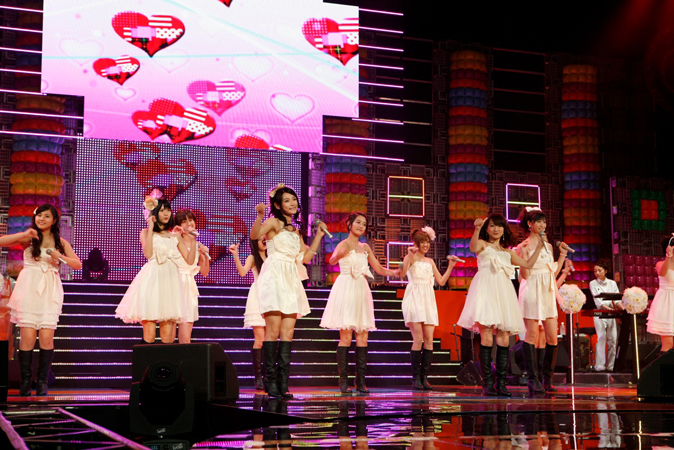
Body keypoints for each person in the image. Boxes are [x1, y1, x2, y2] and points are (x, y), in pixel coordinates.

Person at [250, 183, 327, 398]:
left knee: (288, 333)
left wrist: (318, 237)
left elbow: (305, 258)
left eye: (293, 199)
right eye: (286, 200)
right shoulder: (273, 222)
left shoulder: (295, 230)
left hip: (291, 278)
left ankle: (283, 383)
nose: (292, 203)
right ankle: (270, 381)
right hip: (274, 275)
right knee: (272, 331)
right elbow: (255, 236)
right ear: (277, 205)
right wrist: (259, 215)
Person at [457, 213, 544, 396]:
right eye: (492, 226)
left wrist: (538, 248)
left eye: (499, 226)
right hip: (486, 292)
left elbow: (528, 264)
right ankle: (487, 383)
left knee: (504, 339)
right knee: (487, 338)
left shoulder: (508, 252)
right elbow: (473, 247)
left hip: (503, 293)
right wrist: (477, 228)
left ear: (504, 229)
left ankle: (501, 383)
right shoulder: (483, 244)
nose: (496, 229)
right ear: (487, 229)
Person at [1, 204, 82, 396]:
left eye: (46, 216)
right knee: (27, 338)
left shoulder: (61, 242)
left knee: (46, 338)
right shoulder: (30, 237)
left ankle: (42, 381)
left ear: (54, 220)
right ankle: (25, 381)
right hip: (29, 289)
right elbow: (2, 241)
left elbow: (77, 264)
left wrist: (61, 257)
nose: (41, 219)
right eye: (39, 215)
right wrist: (24, 234)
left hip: (49, 291)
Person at [320, 212, 400, 394]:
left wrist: (395, 272)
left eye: (364, 224)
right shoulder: (343, 244)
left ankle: (361, 381)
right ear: (349, 224)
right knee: (346, 337)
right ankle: (343, 381)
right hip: (346, 288)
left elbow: (378, 268)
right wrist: (340, 254)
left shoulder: (365, 247)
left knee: (363, 336)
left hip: (361, 289)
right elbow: (331, 260)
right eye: (358, 222)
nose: (361, 226)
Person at [115, 195, 196, 344]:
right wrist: (151, 226)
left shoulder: (175, 236)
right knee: (149, 334)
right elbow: (148, 253)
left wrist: (192, 240)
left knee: (167, 337)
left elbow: (189, 261)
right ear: (155, 212)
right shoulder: (146, 232)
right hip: (153, 281)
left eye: (168, 210)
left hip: (170, 284)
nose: (166, 214)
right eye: (162, 210)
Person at [516, 207, 569, 394]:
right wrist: (536, 249)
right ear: (529, 224)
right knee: (531, 336)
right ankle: (533, 379)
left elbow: (551, 273)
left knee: (552, 337)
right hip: (532, 289)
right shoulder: (523, 247)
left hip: (547, 290)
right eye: (538, 221)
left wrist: (562, 255)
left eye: (544, 221)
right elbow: (525, 275)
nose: (542, 225)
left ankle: (547, 379)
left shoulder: (548, 246)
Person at [399, 226, 458, 390]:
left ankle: (425, 378)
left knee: (429, 340)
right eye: (422, 242)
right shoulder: (409, 258)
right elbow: (402, 274)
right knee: (418, 339)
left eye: (427, 242)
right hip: (414, 298)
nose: (425, 245)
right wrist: (408, 256)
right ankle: (415, 378)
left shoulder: (430, 261)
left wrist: (451, 266)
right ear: (416, 243)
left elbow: (441, 281)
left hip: (428, 299)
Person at [230, 237, 268, 390]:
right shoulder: (253, 257)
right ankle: (258, 378)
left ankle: (268, 376)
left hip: (272, 296)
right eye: (260, 239)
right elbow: (242, 272)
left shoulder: (274, 257)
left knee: (270, 340)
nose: (264, 241)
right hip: (258, 297)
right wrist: (235, 255)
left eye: (266, 238)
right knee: (260, 339)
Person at [174, 209, 210, 344]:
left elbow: (204, 272)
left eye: (190, 220)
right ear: (179, 225)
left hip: (189, 288)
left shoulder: (198, 245)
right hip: (175, 283)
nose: (189, 224)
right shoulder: (175, 240)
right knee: (169, 334)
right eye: (184, 221)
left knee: (185, 336)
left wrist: (205, 256)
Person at [589, 259, 621, 372]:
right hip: (599, 313)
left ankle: (611, 366)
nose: (597, 273)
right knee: (601, 337)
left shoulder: (612, 283)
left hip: (611, 313)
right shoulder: (593, 283)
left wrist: (623, 308)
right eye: (595, 271)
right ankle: (600, 366)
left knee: (613, 339)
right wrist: (609, 310)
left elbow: (617, 300)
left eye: (600, 270)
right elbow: (598, 302)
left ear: (606, 271)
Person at [646, 235, 674, 355]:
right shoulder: (660, 263)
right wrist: (669, 256)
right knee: (668, 344)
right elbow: (662, 273)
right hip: (666, 304)